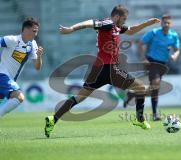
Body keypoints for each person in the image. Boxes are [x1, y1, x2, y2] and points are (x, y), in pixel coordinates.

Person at [44, 5, 161, 138]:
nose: (124, 21)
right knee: (140, 87)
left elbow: (131, 30)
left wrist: (147, 23)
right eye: (123, 19)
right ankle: (140, 119)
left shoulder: (116, 27)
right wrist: (72, 29)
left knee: (79, 98)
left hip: (97, 70)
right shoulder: (108, 23)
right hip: (110, 68)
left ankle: (54, 119)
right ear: (116, 16)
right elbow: (89, 22)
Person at [123, 15, 180, 121]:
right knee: (156, 84)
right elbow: (141, 43)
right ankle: (154, 115)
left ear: (171, 24)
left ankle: (133, 93)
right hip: (151, 62)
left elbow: (177, 49)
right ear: (161, 23)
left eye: (168, 23)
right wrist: (143, 58)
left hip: (163, 64)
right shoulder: (154, 33)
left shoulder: (174, 35)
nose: (166, 24)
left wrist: (175, 55)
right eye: (164, 22)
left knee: (154, 89)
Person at [0, 17, 43, 117]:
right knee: (19, 97)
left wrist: (39, 56)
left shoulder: (32, 44)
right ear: (26, 29)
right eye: (34, 31)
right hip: (2, 75)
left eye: (36, 31)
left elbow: (37, 67)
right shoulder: (12, 40)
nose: (36, 34)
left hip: (10, 79)